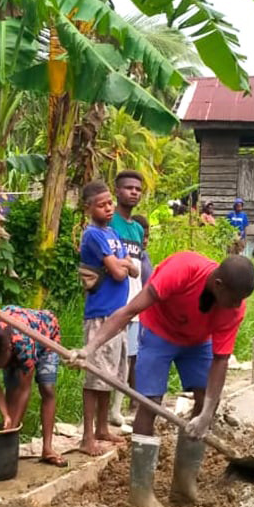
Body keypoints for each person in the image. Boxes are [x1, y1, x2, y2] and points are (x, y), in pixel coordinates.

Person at [79, 252, 254, 507]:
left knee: (207, 400)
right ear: (218, 284)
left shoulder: (234, 308)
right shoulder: (183, 269)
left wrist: (206, 415)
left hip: (198, 341)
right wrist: (89, 348)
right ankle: (140, 492)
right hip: (159, 332)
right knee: (150, 403)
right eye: (234, 299)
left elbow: (220, 361)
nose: (237, 305)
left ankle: (184, 486)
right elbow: (129, 311)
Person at [78, 180, 136, 456]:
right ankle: (87, 437)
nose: (109, 208)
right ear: (89, 208)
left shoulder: (111, 232)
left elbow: (133, 270)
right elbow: (119, 273)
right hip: (100, 315)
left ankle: (102, 427)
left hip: (117, 316)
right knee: (95, 376)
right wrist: (122, 264)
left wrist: (122, 263)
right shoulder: (93, 235)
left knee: (109, 376)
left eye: (110, 203)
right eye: (101, 205)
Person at [0, 307, 65, 466]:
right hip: (13, 336)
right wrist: (6, 416)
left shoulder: (24, 345)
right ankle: (10, 448)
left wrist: (14, 427)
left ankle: (47, 448)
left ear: (8, 350)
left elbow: (25, 390)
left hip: (46, 335)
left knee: (47, 388)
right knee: (11, 389)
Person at [109, 170, 146, 428]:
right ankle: (103, 413)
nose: (134, 192)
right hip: (113, 302)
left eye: (138, 189)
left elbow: (138, 265)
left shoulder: (137, 229)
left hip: (134, 301)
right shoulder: (110, 222)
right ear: (117, 191)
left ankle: (116, 410)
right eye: (129, 188)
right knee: (109, 358)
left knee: (128, 358)